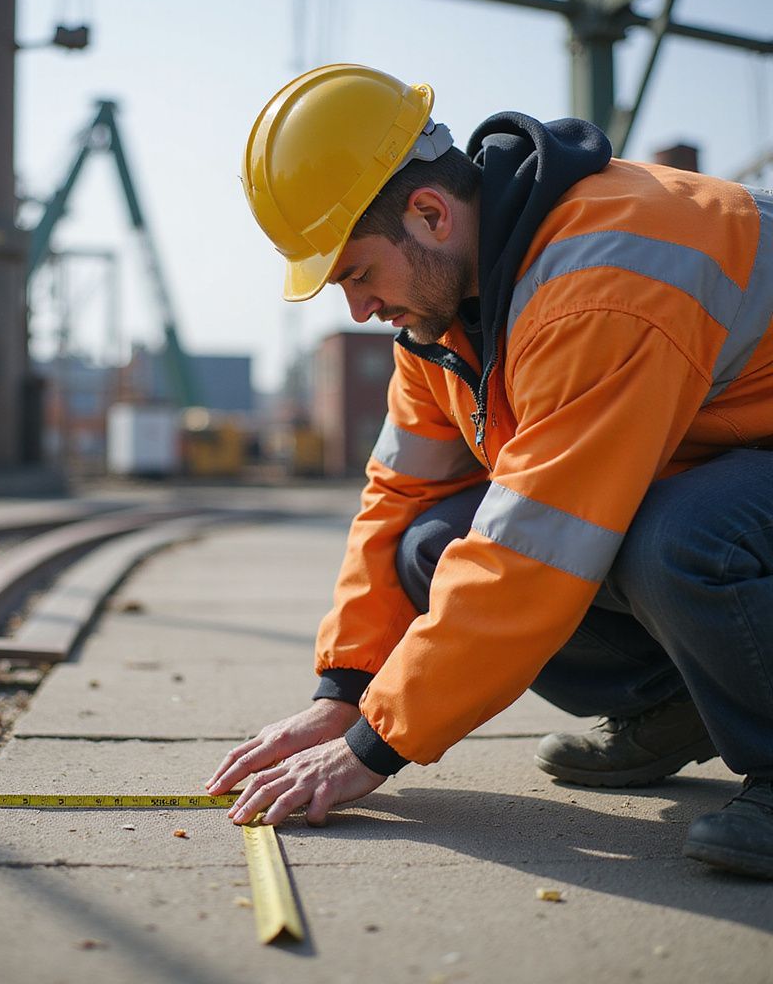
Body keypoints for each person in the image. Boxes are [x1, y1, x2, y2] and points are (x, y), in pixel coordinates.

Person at [205, 63, 773, 880]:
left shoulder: (603, 278)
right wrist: (344, 690)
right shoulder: (443, 323)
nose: (357, 310)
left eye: (357, 273)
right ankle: (678, 703)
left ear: (431, 214)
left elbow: (537, 539)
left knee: (680, 538)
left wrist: (378, 744)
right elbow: (400, 498)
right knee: (432, 544)